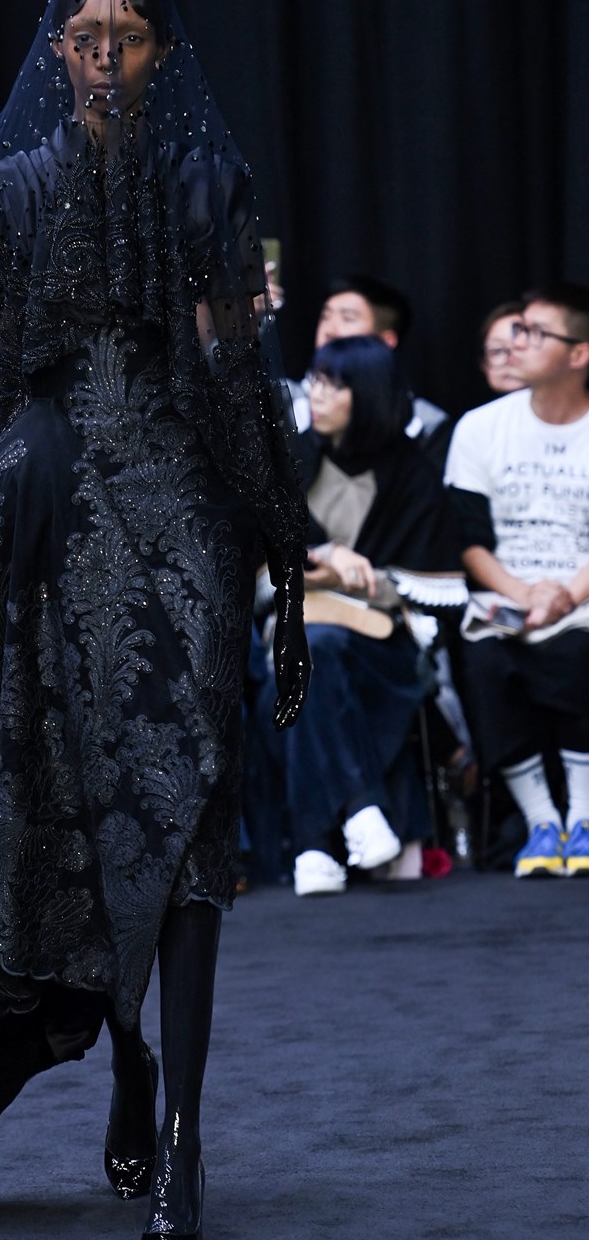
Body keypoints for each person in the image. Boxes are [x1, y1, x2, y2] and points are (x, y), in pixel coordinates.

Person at [0, 0, 310, 1240]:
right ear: (58, 50)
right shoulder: (2, 193)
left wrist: (283, 544)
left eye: (129, 39)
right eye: (87, 39)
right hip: (53, 505)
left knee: (183, 804)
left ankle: (181, 1135)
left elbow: (239, 374)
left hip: (183, 499)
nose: (108, 59)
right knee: (85, 808)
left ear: (162, 47)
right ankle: (132, 1061)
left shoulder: (207, 183)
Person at [256, 336, 460, 897]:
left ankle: (315, 844)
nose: (316, 393)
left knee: (313, 657)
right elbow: (251, 553)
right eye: (315, 378)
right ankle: (362, 807)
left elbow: (436, 586)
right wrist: (318, 562)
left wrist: (355, 574)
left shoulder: (412, 475)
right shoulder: (291, 457)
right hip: (290, 631)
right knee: (313, 650)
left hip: (379, 645)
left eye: (334, 383)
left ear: (367, 394)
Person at [445, 283, 589, 879]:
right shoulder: (480, 428)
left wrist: (564, 596)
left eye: (534, 334)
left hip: (579, 598)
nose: (516, 345)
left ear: (578, 354)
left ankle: (583, 815)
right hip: (505, 597)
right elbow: (470, 541)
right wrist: (525, 593)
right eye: (516, 331)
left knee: (581, 648)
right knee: (481, 658)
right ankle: (541, 823)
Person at [287, 274, 452, 469]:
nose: (329, 330)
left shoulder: (425, 423)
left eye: (347, 318)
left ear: (386, 341)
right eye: (325, 316)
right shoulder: (282, 398)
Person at [479, 301, 525, 396]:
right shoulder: (480, 411)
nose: (509, 360)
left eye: (519, 348)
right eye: (497, 350)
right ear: (483, 365)